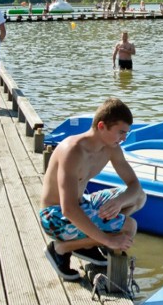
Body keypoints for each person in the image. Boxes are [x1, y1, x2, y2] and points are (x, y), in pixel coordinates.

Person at [38, 98, 146, 281]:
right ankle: (61, 248)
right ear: (102, 126)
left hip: (83, 203)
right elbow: (69, 209)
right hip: (55, 216)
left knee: (139, 198)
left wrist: (119, 202)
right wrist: (108, 240)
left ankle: (84, 244)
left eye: (126, 133)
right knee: (129, 227)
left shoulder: (111, 148)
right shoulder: (72, 151)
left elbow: (135, 186)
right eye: (120, 132)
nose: (124, 138)